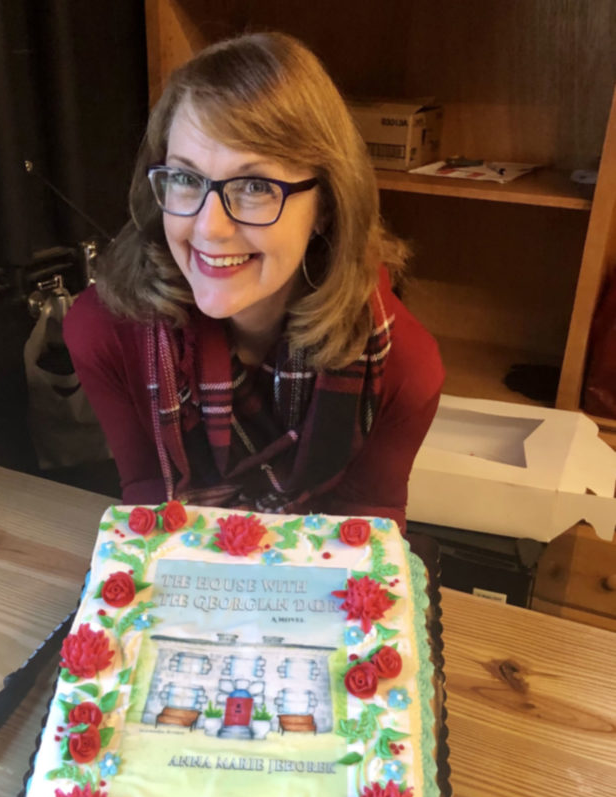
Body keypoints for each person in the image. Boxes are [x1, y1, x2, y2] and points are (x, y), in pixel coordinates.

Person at [64, 32, 443, 533]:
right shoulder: (104, 332)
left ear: (326, 206)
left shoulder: (403, 368)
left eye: (255, 186)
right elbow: (150, 503)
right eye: (185, 178)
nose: (209, 227)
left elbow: (366, 540)